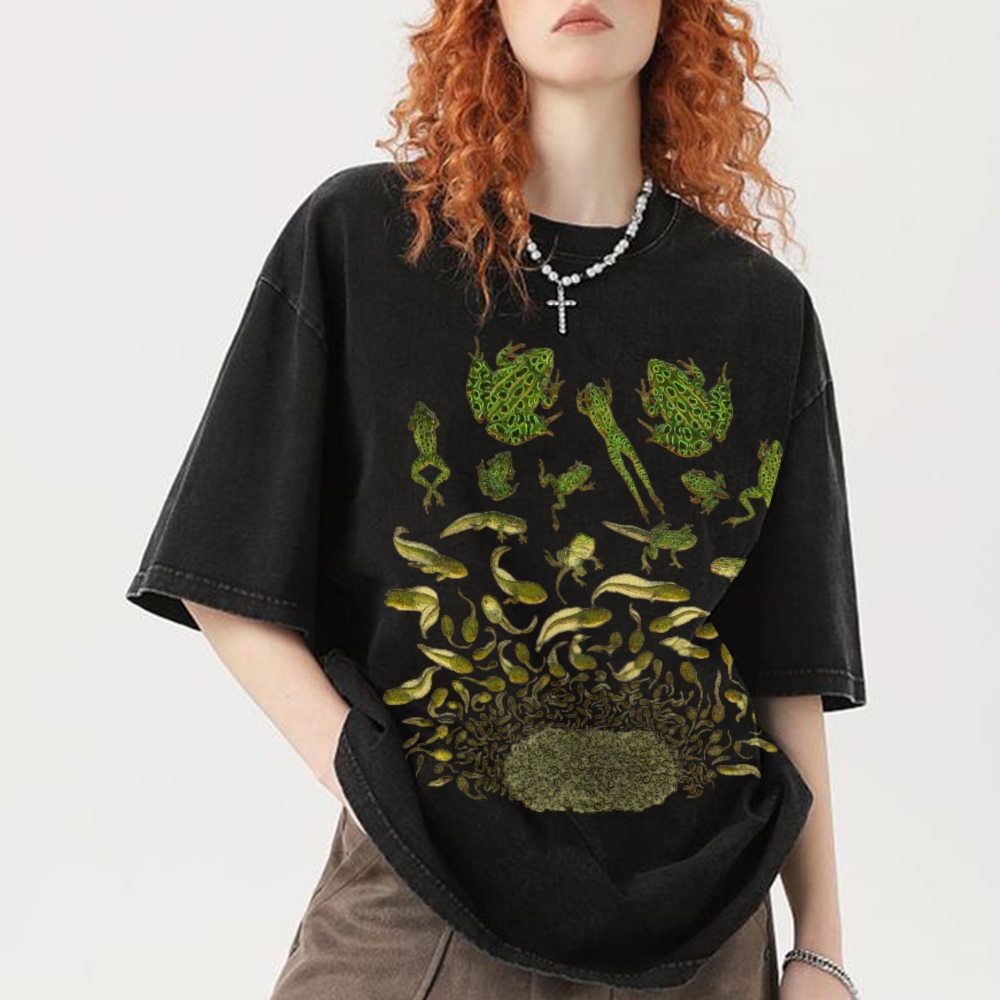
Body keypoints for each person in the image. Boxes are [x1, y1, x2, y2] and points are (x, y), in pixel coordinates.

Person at [125, 2, 867, 998]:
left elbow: (785, 667)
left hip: (705, 930)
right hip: (420, 909)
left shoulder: (761, 312)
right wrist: (370, 779)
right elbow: (224, 561)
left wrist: (820, 947)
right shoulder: (363, 241)